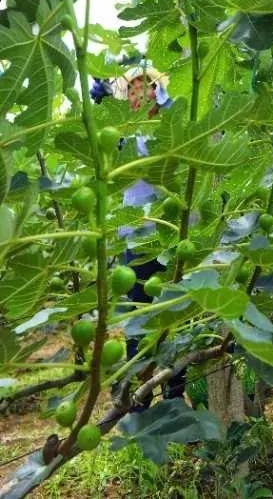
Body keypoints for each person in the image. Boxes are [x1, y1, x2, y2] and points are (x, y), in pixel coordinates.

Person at [94, 63, 186, 406]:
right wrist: (103, 105)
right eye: (131, 89)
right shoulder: (122, 133)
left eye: (145, 87)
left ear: (156, 91)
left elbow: (180, 123)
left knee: (171, 315)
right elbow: (103, 146)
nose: (138, 94)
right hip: (134, 238)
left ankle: (175, 395)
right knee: (138, 316)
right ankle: (137, 399)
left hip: (166, 234)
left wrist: (167, 101)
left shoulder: (164, 126)